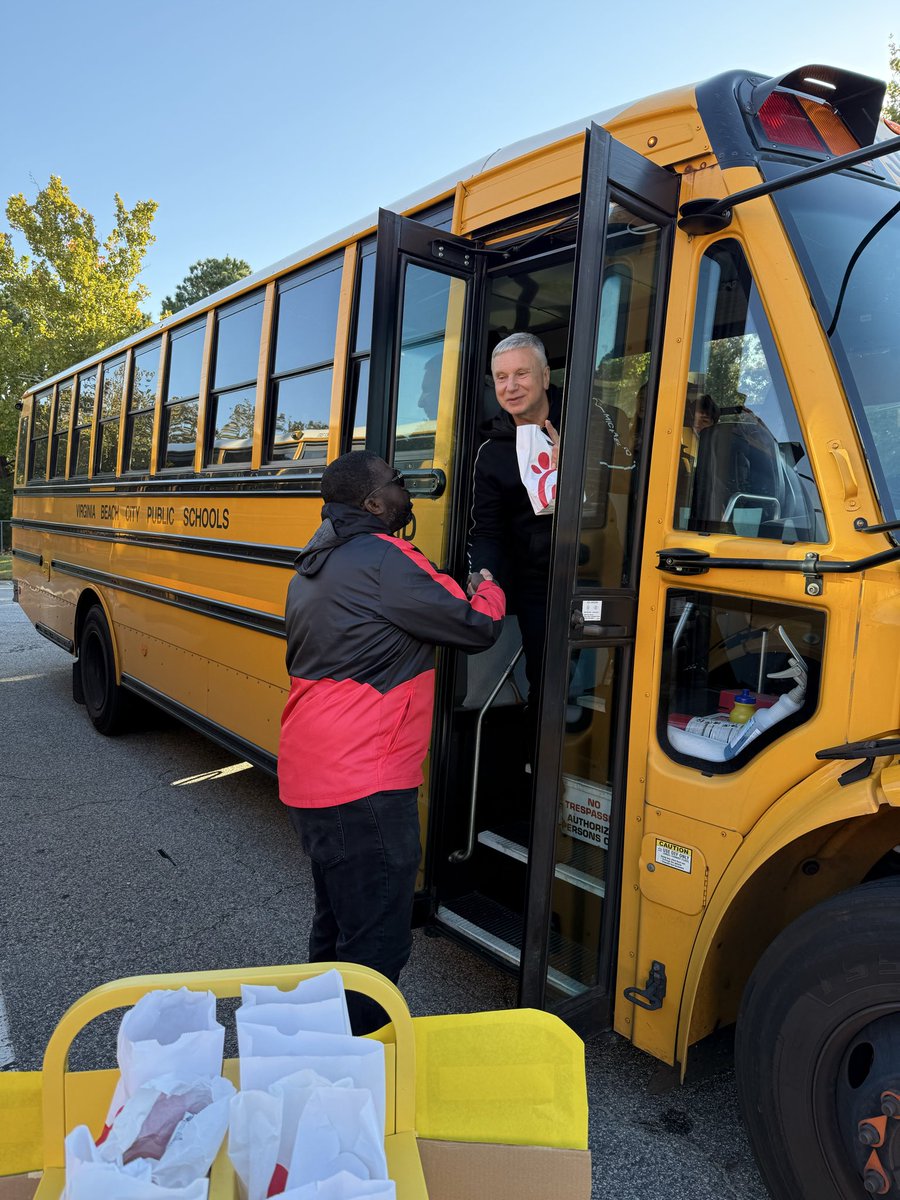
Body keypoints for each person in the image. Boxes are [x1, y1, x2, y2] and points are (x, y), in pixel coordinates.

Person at [278, 450, 505, 1029]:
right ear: (374, 503)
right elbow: (475, 624)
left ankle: (316, 1051)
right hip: (366, 784)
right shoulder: (386, 557)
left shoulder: (316, 555)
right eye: (399, 485)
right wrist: (490, 585)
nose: (409, 494)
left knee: (334, 930)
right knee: (376, 948)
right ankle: (354, 1078)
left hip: (311, 773)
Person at [468, 332, 560, 716]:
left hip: (603, 569)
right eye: (501, 377)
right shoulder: (491, 453)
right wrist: (482, 573)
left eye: (521, 374)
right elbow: (487, 529)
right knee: (550, 677)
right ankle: (539, 766)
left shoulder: (591, 425)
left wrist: (575, 465)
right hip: (538, 580)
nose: (511, 387)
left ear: (545, 375)